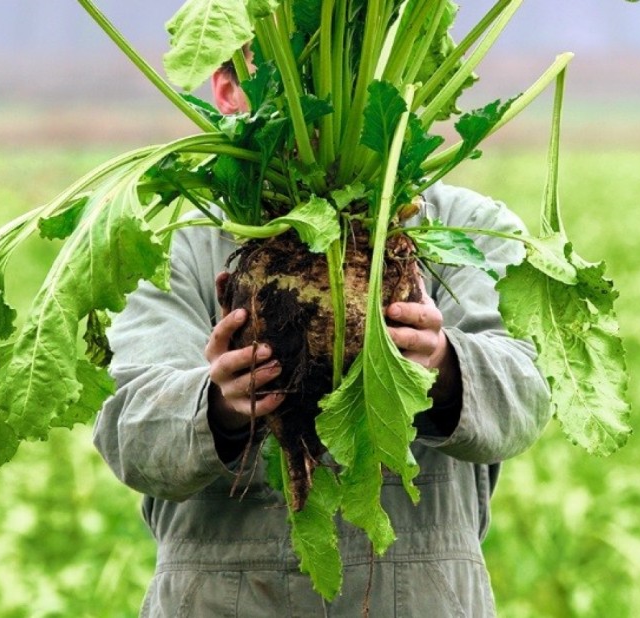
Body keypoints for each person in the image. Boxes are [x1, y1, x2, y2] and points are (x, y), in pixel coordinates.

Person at [93, 60, 551, 617]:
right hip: (218, 599)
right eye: (290, 79)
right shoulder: (172, 243)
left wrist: (442, 361)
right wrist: (216, 403)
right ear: (227, 91)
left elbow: (526, 396)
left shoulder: (464, 227)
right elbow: (129, 434)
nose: (323, 100)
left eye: (334, 71)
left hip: (422, 596)